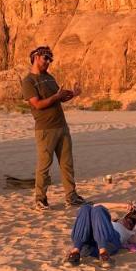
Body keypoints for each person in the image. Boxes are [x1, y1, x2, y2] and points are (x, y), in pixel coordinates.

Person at [21, 45, 85, 210]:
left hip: (61, 126)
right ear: (36, 57)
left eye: (50, 59)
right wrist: (56, 96)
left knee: (67, 163)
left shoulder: (49, 77)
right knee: (44, 165)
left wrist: (73, 94)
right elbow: (37, 104)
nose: (48, 62)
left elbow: (60, 98)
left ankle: (71, 196)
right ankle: (40, 199)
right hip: (45, 129)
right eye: (46, 58)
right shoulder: (29, 81)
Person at [66, 204, 136, 268]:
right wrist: (121, 206)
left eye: (131, 224)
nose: (128, 222)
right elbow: (96, 206)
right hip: (88, 246)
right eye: (126, 219)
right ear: (119, 219)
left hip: (109, 243)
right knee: (86, 207)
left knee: (98, 209)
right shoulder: (107, 222)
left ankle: (103, 254)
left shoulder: (128, 233)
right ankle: (75, 253)